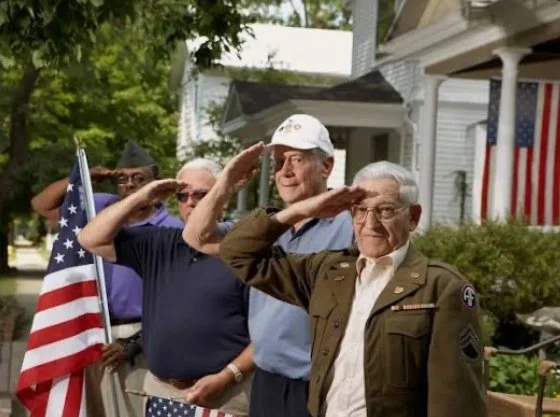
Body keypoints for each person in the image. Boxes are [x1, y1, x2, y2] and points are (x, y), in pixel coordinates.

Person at [209, 160, 487, 417]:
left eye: (385, 210)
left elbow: (456, 402)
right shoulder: (327, 272)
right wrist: (302, 210)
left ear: (412, 217)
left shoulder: (441, 288)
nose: (370, 223)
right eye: (361, 210)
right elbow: (238, 253)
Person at [184, 114, 354, 417]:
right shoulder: (263, 227)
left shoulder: (352, 225)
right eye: (278, 162)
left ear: (326, 166)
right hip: (267, 382)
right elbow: (196, 237)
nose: (284, 171)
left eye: (296, 160)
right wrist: (225, 182)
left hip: (321, 388)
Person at [77, 158, 254, 416]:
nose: (191, 202)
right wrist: (142, 196)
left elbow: (266, 335)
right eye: (183, 196)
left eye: (202, 195)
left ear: (223, 198)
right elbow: (90, 238)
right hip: (162, 391)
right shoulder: (158, 243)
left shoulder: (245, 253)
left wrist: (228, 377)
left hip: (226, 394)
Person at [31, 141, 182, 417]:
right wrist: (84, 178)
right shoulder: (98, 207)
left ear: (154, 183)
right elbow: (41, 205)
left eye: (139, 178)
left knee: (132, 411)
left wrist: (134, 343)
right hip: (89, 332)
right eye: (122, 178)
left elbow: (177, 300)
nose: (129, 184)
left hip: (138, 339)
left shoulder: (173, 229)